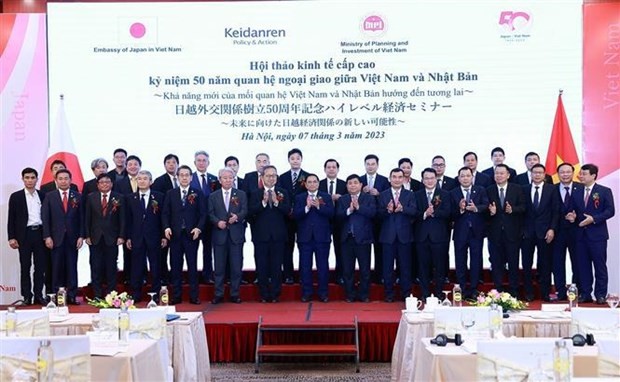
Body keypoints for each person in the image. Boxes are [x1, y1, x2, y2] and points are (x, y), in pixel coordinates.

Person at [571, 164, 615, 304]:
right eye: (580, 174)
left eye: (584, 174)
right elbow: (572, 209)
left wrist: (593, 219)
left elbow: (610, 211)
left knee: (599, 266)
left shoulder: (604, 191)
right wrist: (571, 215)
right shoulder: (576, 191)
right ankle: (585, 293)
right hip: (580, 236)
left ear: (593, 176)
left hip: (597, 236)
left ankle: (601, 294)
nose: (580, 176)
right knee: (583, 266)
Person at [162, 165, 206, 304]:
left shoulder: (197, 193)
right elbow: (165, 213)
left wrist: (198, 228)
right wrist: (167, 228)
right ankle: (176, 295)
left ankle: (194, 296)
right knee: (175, 266)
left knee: (192, 266)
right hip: (175, 235)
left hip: (191, 235)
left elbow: (203, 214)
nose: (184, 177)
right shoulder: (171, 193)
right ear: (178, 177)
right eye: (182, 175)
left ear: (191, 177)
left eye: (187, 175)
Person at [248, 165, 290, 302]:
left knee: (277, 266)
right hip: (261, 236)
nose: (271, 178)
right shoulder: (255, 193)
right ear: (262, 177)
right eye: (268, 176)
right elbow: (250, 213)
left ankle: (276, 294)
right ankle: (264, 295)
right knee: (262, 266)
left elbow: (288, 211)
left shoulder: (283, 192)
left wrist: (277, 203)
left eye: (274, 176)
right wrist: (263, 203)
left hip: (278, 236)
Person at [41, 169, 83, 305]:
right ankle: (55, 297)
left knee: (72, 267)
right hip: (55, 238)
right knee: (56, 268)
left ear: (70, 180)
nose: (63, 181)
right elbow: (45, 218)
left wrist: (81, 236)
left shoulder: (77, 196)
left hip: (72, 238)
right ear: (56, 180)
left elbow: (81, 219)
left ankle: (72, 295)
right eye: (61, 179)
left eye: (66, 178)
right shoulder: (49, 196)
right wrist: (47, 236)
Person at [7, 168, 47, 305]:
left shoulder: (43, 195)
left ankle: (38, 295)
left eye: (32, 177)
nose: (30, 180)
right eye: (27, 177)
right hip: (23, 235)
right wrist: (11, 237)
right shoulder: (16, 196)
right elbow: (11, 218)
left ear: (37, 179)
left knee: (40, 267)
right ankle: (26, 296)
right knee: (25, 267)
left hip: (40, 234)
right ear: (23, 179)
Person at [125, 170, 166, 302]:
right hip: (136, 237)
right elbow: (128, 220)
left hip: (154, 236)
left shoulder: (159, 197)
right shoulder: (131, 198)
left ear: (151, 181)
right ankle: (136, 293)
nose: (142, 181)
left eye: (145, 178)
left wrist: (163, 236)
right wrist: (128, 237)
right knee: (136, 266)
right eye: (139, 179)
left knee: (155, 265)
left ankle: (155, 293)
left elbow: (163, 218)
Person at [520, 164, 559, 302]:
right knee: (526, 264)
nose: (537, 175)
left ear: (544, 174)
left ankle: (545, 293)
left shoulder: (552, 189)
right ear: (530, 174)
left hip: (545, 232)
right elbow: (521, 211)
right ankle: (528, 293)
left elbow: (556, 211)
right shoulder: (523, 189)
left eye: (540, 172)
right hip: (527, 233)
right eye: (534, 172)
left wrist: (552, 229)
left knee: (545, 264)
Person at [209, 167, 248, 304]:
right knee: (219, 268)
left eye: (230, 178)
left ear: (233, 179)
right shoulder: (213, 196)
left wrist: (237, 217)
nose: (227, 180)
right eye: (224, 178)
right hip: (219, 235)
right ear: (220, 180)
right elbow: (210, 213)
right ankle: (218, 294)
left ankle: (235, 294)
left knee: (236, 267)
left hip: (236, 235)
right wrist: (217, 222)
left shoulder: (241, 194)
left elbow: (245, 210)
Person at [293, 173, 335, 302]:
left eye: (314, 182)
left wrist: (318, 206)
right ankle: (307, 293)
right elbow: (295, 215)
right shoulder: (300, 197)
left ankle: (323, 293)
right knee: (305, 266)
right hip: (305, 238)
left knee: (323, 266)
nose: (312, 184)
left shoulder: (326, 197)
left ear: (318, 183)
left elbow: (331, 214)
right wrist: (306, 207)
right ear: (305, 184)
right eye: (309, 182)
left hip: (322, 238)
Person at [486, 164, 525, 296]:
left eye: (502, 173)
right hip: (494, 233)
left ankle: (514, 290)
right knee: (496, 263)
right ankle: (498, 290)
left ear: (508, 175)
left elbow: (524, 207)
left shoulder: (517, 189)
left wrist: (513, 209)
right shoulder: (489, 190)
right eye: (497, 173)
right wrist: (490, 212)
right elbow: (483, 210)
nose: (499, 176)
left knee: (513, 262)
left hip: (512, 232)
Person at [378, 168, 417, 302]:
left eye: (399, 177)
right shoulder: (383, 195)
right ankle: (389, 294)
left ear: (403, 179)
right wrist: (387, 211)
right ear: (390, 179)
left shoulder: (410, 194)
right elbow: (377, 215)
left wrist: (403, 209)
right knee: (387, 268)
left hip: (404, 236)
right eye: (394, 177)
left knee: (405, 267)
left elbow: (414, 212)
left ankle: (406, 294)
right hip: (387, 236)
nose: (397, 179)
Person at [84, 173, 125, 298]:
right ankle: (97, 294)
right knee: (95, 266)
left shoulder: (119, 197)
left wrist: (121, 236)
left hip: (112, 238)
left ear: (111, 184)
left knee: (111, 267)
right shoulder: (91, 197)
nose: (105, 184)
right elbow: (87, 218)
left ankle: (111, 294)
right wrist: (87, 236)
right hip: (95, 237)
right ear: (97, 185)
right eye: (102, 182)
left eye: (107, 182)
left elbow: (122, 219)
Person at [450, 167, 488, 299]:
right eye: (463, 176)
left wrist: (476, 208)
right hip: (460, 232)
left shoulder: (481, 189)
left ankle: (474, 288)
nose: (465, 178)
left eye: (468, 176)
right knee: (460, 260)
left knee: (476, 260)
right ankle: (461, 287)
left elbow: (486, 205)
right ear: (458, 178)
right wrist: (459, 209)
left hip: (476, 232)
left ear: (472, 177)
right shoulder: (453, 192)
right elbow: (450, 213)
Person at [337, 174, 376, 302]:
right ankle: (350, 295)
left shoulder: (368, 198)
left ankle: (364, 295)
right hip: (347, 239)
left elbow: (372, 213)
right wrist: (349, 210)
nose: (352, 185)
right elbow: (337, 216)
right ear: (347, 186)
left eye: (355, 183)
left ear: (361, 185)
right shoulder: (343, 199)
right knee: (348, 270)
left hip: (363, 239)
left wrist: (359, 208)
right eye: (349, 183)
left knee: (365, 269)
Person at [414, 168, 451, 298]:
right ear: (423, 180)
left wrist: (434, 213)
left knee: (439, 267)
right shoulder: (416, 195)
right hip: (421, 236)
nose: (429, 181)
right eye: (426, 178)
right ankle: (424, 294)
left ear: (436, 179)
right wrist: (424, 214)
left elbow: (448, 212)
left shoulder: (444, 194)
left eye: (432, 178)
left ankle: (439, 293)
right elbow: (413, 213)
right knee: (423, 267)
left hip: (439, 237)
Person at [277, 148, 309, 285]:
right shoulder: (282, 177)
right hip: (287, 218)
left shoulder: (308, 177)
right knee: (287, 247)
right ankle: (288, 275)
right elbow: (280, 196)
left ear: (301, 160)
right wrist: (288, 210)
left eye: (298, 158)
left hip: (303, 218)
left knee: (303, 247)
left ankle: (303, 275)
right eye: (292, 158)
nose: (295, 160)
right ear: (289, 160)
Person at [552, 162, 583, 300]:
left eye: (568, 172)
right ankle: (560, 290)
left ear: (573, 173)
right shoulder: (551, 189)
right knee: (558, 262)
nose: (565, 175)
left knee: (577, 261)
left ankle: (576, 290)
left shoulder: (581, 188)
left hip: (576, 231)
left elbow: (586, 208)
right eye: (562, 172)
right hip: (557, 231)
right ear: (558, 174)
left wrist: (577, 216)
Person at [112, 154, 142, 284]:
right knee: (127, 250)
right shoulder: (119, 184)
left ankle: (142, 276)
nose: (133, 167)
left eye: (136, 164)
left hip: (143, 221)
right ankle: (128, 277)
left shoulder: (144, 180)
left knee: (142, 252)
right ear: (126, 166)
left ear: (140, 166)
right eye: (130, 164)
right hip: (127, 221)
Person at [360, 154, 390, 285]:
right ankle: (364, 278)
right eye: (368, 164)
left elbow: (388, 198)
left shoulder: (384, 180)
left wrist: (378, 194)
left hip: (379, 221)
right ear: (365, 165)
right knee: (363, 251)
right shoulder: (359, 180)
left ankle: (380, 276)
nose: (370, 166)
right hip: (363, 221)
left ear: (377, 165)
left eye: (373, 164)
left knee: (380, 250)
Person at [190, 150, 218, 285]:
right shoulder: (189, 178)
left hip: (210, 221)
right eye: (199, 160)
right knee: (192, 251)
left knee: (208, 250)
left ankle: (208, 274)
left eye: (204, 160)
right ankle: (193, 276)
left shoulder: (214, 179)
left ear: (208, 162)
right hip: (193, 222)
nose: (201, 163)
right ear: (194, 163)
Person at [151, 153, 179, 284]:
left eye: (174, 162)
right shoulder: (159, 181)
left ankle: (175, 276)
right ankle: (163, 277)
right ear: (164, 165)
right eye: (168, 162)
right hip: (164, 222)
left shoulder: (183, 178)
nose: (171, 165)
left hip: (179, 223)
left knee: (176, 253)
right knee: (162, 252)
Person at [319, 159, 347, 284]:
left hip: (340, 222)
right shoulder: (318, 184)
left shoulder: (344, 184)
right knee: (322, 251)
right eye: (328, 167)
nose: (331, 169)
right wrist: (330, 198)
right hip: (322, 222)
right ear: (324, 169)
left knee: (340, 250)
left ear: (337, 169)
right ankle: (324, 276)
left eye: (333, 167)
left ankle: (340, 275)